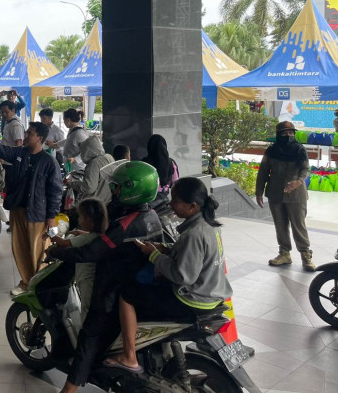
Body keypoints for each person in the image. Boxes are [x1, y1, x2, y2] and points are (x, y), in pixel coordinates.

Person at [47, 161, 162, 393]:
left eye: (118, 187)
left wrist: (57, 251)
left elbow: (92, 252)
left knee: (87, 341)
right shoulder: (150, 214)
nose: (114, 190)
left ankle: (68, 390)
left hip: (112, 290)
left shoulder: (125, 224)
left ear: (133, 190)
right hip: (138, 284)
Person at [107, 177, 232, 373]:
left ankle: (129, 356)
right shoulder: (209, 226)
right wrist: (165, 249)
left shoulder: (194, 234)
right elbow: (194, 256)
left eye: (175, 201)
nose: (170, 204)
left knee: (127, 294)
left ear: (192, 206)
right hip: (211, 295)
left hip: (193, 300)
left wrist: (154, 255)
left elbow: (182, 276)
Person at [0, 121, 63, 295]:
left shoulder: (49, 162)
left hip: (38, 213)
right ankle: (26, 283)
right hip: (18, 209)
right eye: (26, 132)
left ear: (39, 138)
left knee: (38, 250)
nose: (25, 135)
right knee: (20, 248)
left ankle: (39, 284)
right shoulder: (20, 153)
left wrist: (51, 217)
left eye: (29, 133)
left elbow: (55, 192)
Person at [256, 121, 314, 271]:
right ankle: (284, 253)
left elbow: (305, 169)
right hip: (275, 193)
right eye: (284, 133)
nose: (288, 135)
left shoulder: (300, 150)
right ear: (278, 134)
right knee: (280, 225)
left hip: (296, 194)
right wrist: (259, 191)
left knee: (298, 225)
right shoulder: (271, 151)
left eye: (291, 132)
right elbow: (263, 171)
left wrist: (299, 181)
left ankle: (305, 255)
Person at [49, 198, 109, 319]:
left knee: (86, 307)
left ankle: (83, 329)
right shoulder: (99, 235)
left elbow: (64, 242)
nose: (78, 219)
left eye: (81, 217)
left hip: (86, 279)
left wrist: (51, 235)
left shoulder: (86, 239)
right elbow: (88, 236)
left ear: (90, 221)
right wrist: (79, 232)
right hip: (92, 278)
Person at [69, 136, 115, 204]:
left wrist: (72, 183)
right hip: (108, 199)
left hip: (96, 203)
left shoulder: (94, 163)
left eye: (82, 151)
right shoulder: (108, 157)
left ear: (87, 151)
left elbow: (89, 188)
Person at [63, 109, 88, 173]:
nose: (64, 122)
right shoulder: (73, 130)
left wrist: (75, 159)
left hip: (78, 168)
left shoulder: (79, 133)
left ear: (68, 120)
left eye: (64, 120)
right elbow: (68, 141)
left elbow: (87, 150)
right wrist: (55, 145)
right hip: (71, 167)